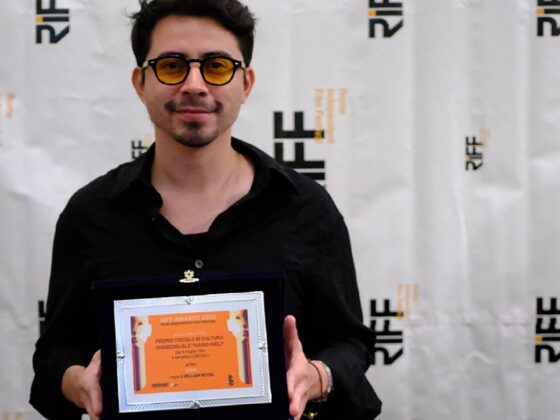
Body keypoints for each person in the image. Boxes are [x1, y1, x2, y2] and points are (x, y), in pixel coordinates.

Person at [29, 0, 382, 419]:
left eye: (216, 67)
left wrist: (317, 376)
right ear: (140, 82)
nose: (194, 85)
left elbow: (349, 343)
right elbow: (55, 352)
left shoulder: (305, 208)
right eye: (172, 66)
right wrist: (77, 381)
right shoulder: (90, 215)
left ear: (246, 83)